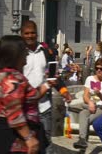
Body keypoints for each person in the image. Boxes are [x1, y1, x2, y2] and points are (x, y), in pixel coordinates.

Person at [0, 35, 55, 154]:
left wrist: (47, 84)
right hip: (13, 138)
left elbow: (33, 95)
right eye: (24, 51)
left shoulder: (7, 74)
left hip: (15, 133)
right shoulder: (12, 79)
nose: (27, 54)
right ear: (15, 54)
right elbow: (14, 112)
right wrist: (29, 138)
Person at [21, 21, 72, 154]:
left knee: (46, 142)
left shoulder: (45, 51)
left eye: (32, 32)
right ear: (21, 34)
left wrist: (63, 91)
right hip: (25, 107)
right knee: (25, 143)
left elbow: (53, 74)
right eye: (26, 33)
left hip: (44, 107)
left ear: (37, 34)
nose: (30, 36)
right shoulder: (18, 52)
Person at [73, 58, 102, 149]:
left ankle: (83, 143)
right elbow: (85, 96)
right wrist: (90, 102)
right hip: (90, 106)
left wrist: (99, 94)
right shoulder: (90, 78)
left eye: (101, 69)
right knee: (83, 113)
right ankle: (82, 140)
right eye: (97, 68)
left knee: (86, 119)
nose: (98, 70)